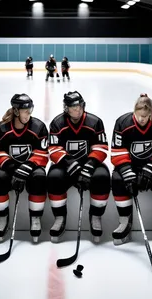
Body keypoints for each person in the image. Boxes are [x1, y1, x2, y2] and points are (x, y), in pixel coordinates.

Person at [47, 91, 110, 243]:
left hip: (90, 164)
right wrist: (71, 164)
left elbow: (101, 147)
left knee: (102, 177)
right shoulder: (57, 123)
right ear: (66, 108)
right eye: (73, 107)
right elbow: (53, 149)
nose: (77, 110)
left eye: (79, 106)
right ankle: (60, 217)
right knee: (54, 177)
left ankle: (95, 216)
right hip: (65, 165)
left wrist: (88, 167)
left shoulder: (95, 122)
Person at [110, 94, 152, 245]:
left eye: (146, 116)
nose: (142, 119)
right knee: (118, 180)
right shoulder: (122, 123)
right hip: (130, 165)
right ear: (134, 112)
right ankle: (125, 221)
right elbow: (117, 151)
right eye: (139, 116)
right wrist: (127, 172)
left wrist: (151, 169)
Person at [0, 94, 49, 242]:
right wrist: (12, 168)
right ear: (16, 111)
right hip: (10, 167)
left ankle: (35, 218)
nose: (29, 114)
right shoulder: (3, 128)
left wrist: (26, 168)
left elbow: (43, 154)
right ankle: (2, 219)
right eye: (25, 111)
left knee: (39, 177)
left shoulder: (38, 127)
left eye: (30, 110)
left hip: (31, 167)